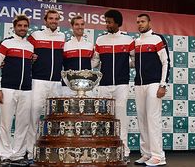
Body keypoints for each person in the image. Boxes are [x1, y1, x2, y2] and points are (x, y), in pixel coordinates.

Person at [91, 9, 134, 163]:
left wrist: (124, 65)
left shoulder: (129, 40)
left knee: (121, 117)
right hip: (104, 85)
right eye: (106, 22)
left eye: (109, 22)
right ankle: (103, 148)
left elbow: (134, 61)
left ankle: (124, 150)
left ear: (117, 23)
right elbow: (94, 63)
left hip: (122, 84)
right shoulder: (100, 40)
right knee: (103, 117)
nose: (107, 24)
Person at [0, 14, 34, 166]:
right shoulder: (6, 43)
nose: (23, 28)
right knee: (6, 124)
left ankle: (19, 155)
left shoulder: (30, 46)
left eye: (25, 26)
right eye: (20, 26)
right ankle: (6, 155)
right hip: (7, 89)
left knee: (23, 124)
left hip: (27, 90)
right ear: (14, 27)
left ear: (28, 27)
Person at [26, 9, 65, 160]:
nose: (53, 21)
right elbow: (25, 52)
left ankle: (52, 150)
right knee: (34, 116)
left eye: (56, 18)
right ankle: (31, 152)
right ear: (45, 20)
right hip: (38, 82)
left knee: (55, 118)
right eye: (51, 18)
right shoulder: (35, 36)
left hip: (56, 83)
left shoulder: (62, 37)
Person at [133, 14, 170, 166]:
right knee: (142, 120)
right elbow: (133, 62)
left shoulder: (157, 38)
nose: (140, 24)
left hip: (154, 84)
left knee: (153, 120)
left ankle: (158, 156)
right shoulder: (136, 41)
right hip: (139, 85)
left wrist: (163, 84)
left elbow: (166, 62)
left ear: (149, 22)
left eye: (142, 21)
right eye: (138, 22)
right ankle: (146, 154)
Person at [62, 15, 94, 96]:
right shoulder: (65, 45)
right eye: (77, 24)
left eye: (82, 24)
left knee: (87, 109)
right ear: (72, 26)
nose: (80, 27)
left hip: (86, 86)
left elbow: (94, 62)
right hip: (68, 87)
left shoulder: (90, 46)